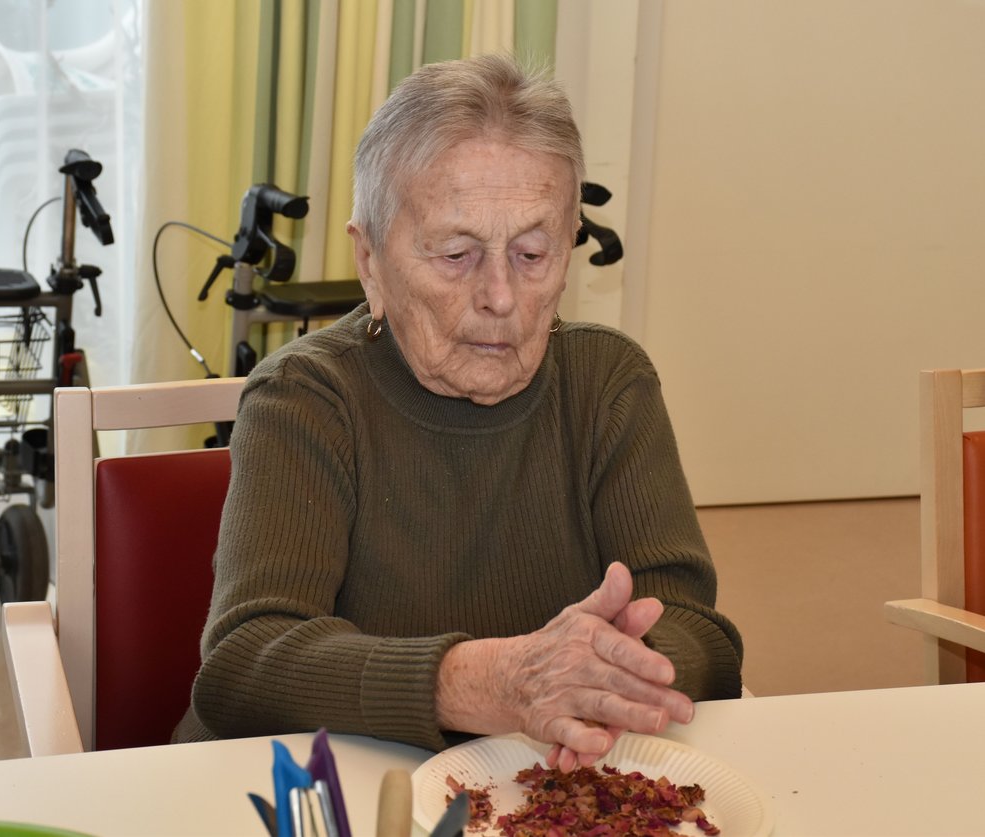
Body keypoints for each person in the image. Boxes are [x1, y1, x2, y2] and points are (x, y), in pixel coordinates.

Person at [175, 54, 742, 771]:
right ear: (371, 260)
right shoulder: (305, 397)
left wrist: (601, 677)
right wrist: (491, 681)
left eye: (533, 252)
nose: (500, 296)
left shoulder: (608, 382)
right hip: (319, 795)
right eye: (455, 253)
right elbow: (245, 662)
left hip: (529, 791)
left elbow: (702, 636)